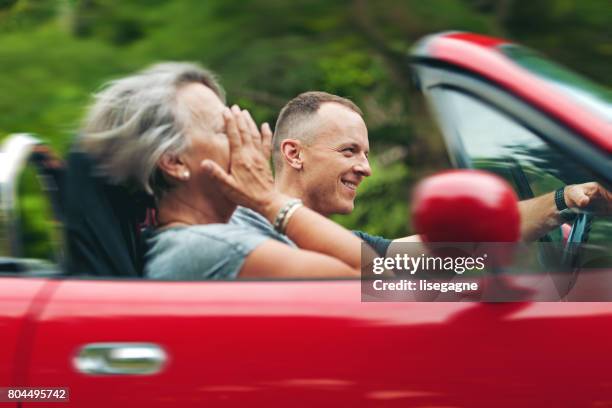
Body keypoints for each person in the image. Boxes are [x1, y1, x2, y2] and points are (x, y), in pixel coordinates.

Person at [76, 63, 378, 280]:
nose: (245, 140)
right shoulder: (208, 249)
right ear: (174, 162)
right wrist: (270, 201)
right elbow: (379, 280)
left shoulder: (207, 240)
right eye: (226, 130)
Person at [231, 91, 612, 252]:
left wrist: (563, 200)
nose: (365, 168)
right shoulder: (240, 237)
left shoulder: (348, 249)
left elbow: (448, 250)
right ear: (294, 154)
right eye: (349, 151)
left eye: (365, 153)